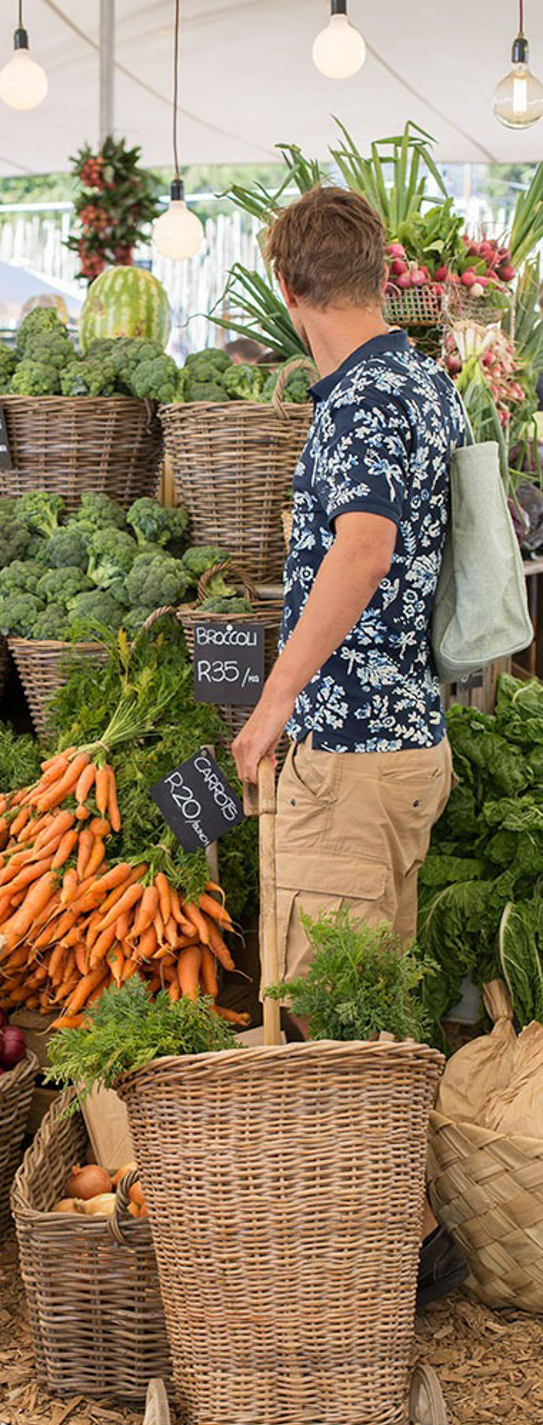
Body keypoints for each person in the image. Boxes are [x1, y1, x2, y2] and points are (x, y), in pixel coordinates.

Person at [229, 185, 467, 1307]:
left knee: (337, 1016)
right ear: (377, 271)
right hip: (408, 734)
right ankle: (393, 1239)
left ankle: (399, 1254)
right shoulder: (421, 381)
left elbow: (363, 548)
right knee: (371, 1003)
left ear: (290, 289)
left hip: (355, 743)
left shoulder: (362, 397)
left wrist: (276, 699)